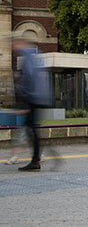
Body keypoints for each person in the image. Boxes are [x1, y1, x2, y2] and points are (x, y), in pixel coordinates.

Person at [11, 33, 51, 171]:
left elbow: (29, 77)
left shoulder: (27, 56)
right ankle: (36, 159)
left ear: (21, 43)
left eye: (15, 43)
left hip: (33, 97)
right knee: (30, 127)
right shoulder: (35, 55)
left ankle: (36, 160)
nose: (13, 46)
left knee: (31, 129)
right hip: (38, 96)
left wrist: (24, 95)